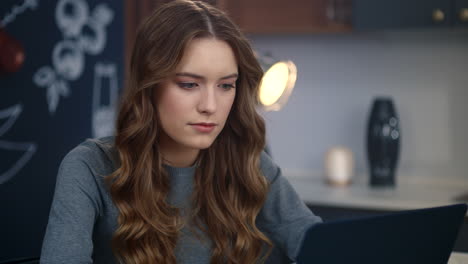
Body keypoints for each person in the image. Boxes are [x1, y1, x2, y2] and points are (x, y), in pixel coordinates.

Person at [40, 1, 321, 263]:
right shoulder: (89, 167)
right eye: (189, 84)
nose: (210, 106)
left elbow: (326, 247)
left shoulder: (250, 164)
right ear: (150, 86)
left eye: (225, 86)